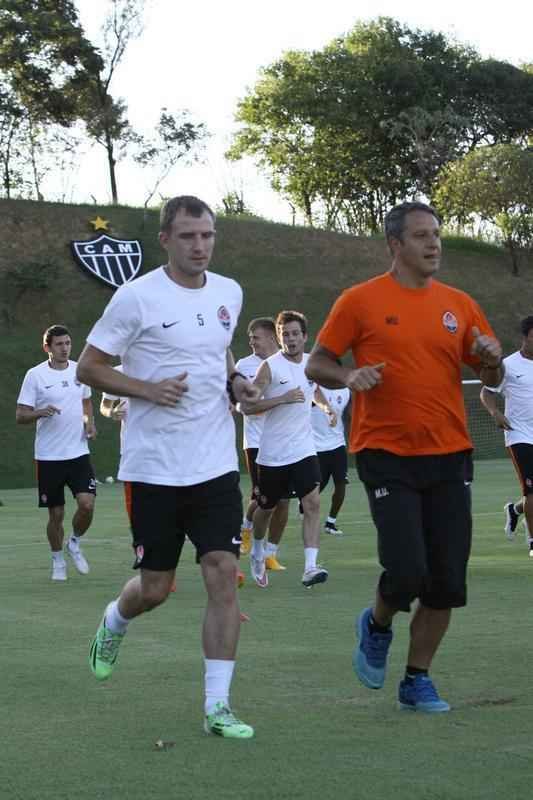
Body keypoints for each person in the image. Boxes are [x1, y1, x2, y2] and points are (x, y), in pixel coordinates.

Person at [306, 201, 503, 713]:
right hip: (385, 451)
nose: (433, 243)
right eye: (421, 236)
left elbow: (491, 376)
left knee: (447, 582)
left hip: (450, 454)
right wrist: (349, 376)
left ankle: (417, 680)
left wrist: (490, 361)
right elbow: (318, 362)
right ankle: (376, 624)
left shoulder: (460, 303)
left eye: (436, 233)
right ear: (396, 244)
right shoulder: (360, 301)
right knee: (408, 571)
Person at [77, 195, 259, 739]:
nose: (199, 246)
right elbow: (90, 367)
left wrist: (236, 382)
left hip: (215, 463)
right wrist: (147, 390)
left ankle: (217, 707)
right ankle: (115, 620)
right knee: (155, 587)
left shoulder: (229, 291)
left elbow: (217, 350)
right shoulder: (135, 298)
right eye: (188, 236)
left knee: (223, 573)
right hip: (153, 467)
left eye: (207, 235)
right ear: (165, 240)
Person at [241, 310, 332, 588]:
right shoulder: (269, 367)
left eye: (295, 334)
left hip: (304, 449)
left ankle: (310, 567)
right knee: (266, 508)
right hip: (273, 453)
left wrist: (326, 406)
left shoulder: (310, 364)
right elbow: (248, 406)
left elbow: (312, 389)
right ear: (279, 338)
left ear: (305, 337)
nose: (290, 339)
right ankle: (257, 550)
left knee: (312, 503)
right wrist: (281, 399)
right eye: (285, 334)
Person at [16, 325, 96, 581]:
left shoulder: (79, 370)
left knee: (87, 504)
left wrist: (89, 423)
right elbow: (21, 415)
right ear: (47, 347)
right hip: (49, 456)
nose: (64, 348)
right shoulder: (35, 376)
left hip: (78, 453)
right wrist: (40, 412)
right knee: (57, 514)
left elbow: (86, 401)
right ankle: (57, 558)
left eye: (68, 343)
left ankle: (74, 542)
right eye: (59, 344)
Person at [236, 317, 293, 570]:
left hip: (286, 441)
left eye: (256, 337)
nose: (252, 342)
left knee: (284, 501)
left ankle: (271, 553)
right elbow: (240, 403)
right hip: (257, 441)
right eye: (250, 338)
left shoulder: (287, 363)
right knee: (263, 498)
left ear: (272, 338)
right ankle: (246, 527)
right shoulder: (243, 366)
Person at [480, 315, 533, 556]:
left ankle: (515, 511)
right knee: (531, 491)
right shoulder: (508, 365)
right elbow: (487, 392)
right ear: (525, 337)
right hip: (519, 433)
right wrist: (495, 412)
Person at [311, 385, 351, 535]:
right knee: (318, 486)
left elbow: (349, 414)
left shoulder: (346, 391)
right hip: (316, 446)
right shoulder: (314, 389)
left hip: (338, 444)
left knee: (341, 484)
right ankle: (304, 505)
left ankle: (331, 523)